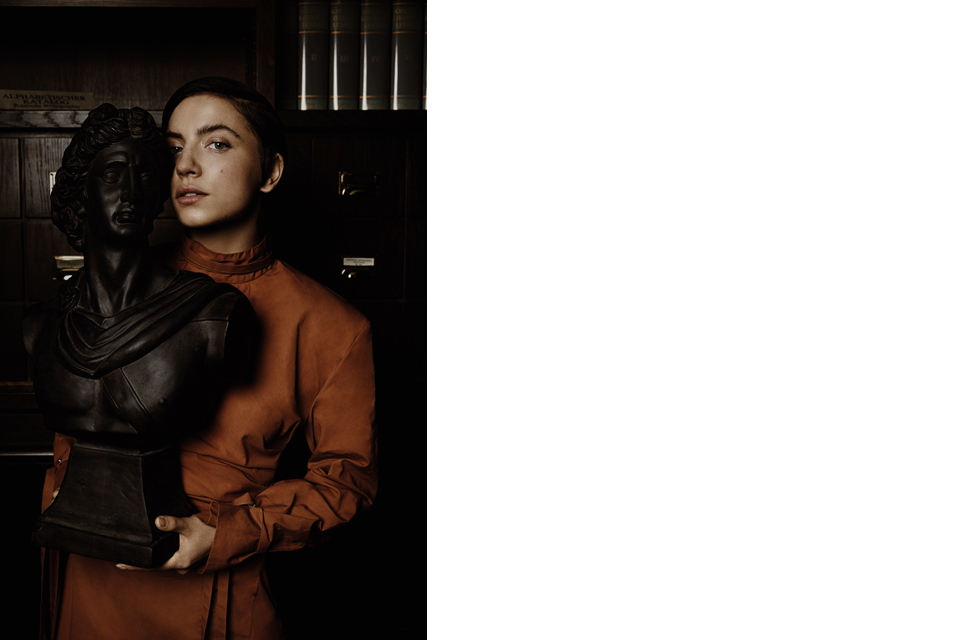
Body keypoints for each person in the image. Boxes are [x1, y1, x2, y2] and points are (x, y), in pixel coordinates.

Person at [39, 78, 378, 639]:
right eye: (173, 148)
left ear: (270, 171)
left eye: (216, 143)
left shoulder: (332, 325)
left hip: (216, 592)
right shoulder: (105, 282)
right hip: (90, 573)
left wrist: (227, 535)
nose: (186, 166)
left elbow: (347, 481)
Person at [25, 103, 256, 569]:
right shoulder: (41, 324)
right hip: (77, 545)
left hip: (165, 526)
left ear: (159, 198)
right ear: (81, 192)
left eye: (146, 177)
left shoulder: (213, 313)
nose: (131, 192)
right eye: (113, 175)